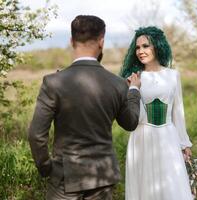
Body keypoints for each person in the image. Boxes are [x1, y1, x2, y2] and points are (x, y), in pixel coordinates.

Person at [28, 15, 141, 200]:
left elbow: (36, 135)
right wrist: (134, 91)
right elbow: (130, 123)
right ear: (101, 42)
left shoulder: (53, 82)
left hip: (64, 178)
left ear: (71, 41)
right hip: (102, 177)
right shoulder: (118, 84)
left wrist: (47, 168)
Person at [120, 26, 194, 200]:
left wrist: (184, 143)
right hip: (141, 137)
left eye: (146, 46)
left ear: (157, 46)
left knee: (171, 183)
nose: (140, 51)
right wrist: (132, 87)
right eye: (137, 47)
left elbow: (178, 111)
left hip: (167, 136)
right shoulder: (133, 77)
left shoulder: (173, 75)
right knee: (145, 185)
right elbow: (130, 113)